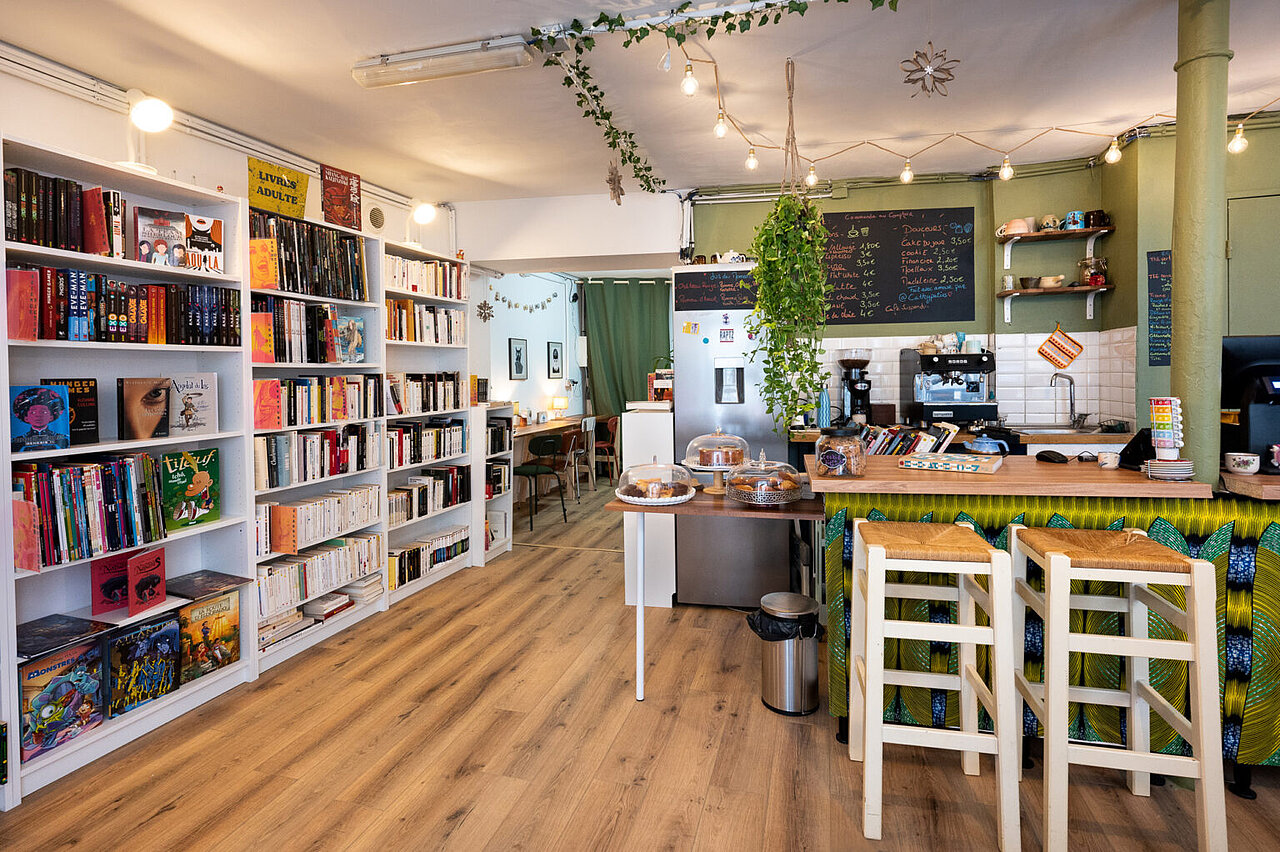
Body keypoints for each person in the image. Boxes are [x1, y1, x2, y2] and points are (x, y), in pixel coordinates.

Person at [11, 387, 69, 451]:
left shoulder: (63, 439)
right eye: (33, 412)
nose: (38, 416)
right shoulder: (16, 442)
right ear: (26, 418)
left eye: (43, 412)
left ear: (51, 417)